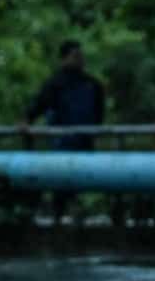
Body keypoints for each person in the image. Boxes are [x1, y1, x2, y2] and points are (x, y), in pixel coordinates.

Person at [23, 40, 107, 225]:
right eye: (75, 56)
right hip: (62, 144)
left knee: (83, 185)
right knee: (61, 186)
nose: (80, 60)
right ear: (64, 59)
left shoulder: (92, 85)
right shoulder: (55, 84)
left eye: (81, 56)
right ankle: (58, 218)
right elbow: (38, 105)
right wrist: (27, 120)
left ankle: (79, 216)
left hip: (84, 142)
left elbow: (99, 114)